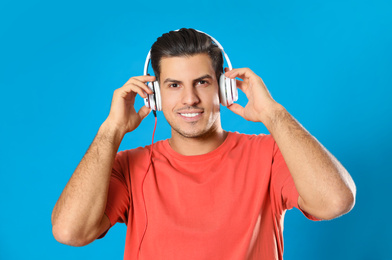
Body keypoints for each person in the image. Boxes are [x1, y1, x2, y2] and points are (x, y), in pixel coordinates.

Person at [51, 28, 356, 259]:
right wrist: (111, 130)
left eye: (202, 82)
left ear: (224, 87)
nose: (189, 99)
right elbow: (70, 232)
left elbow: (335, 201)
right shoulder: (128, 167)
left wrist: (272, 114)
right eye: (173, 85)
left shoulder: (270, 154)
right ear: (154, 94)